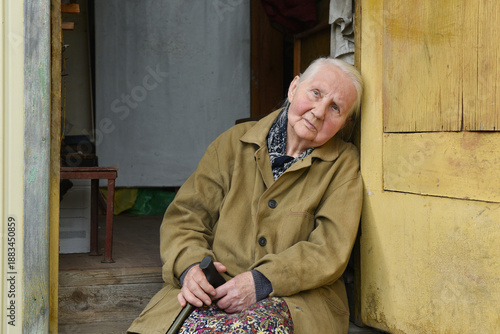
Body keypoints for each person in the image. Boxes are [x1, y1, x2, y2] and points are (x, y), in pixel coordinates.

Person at [128, 57, 364, 334]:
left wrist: (262, 281)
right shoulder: (232, 143)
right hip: (214, 286)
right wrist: (190, 266)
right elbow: (186, 217)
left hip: (293, 298)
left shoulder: (343, 164)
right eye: (316, 93)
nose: (319, 111)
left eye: (335, 107)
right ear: (293, 88)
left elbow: (328, 250)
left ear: (344, 123)